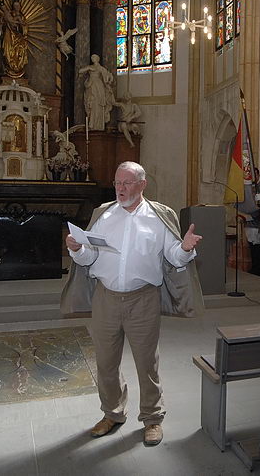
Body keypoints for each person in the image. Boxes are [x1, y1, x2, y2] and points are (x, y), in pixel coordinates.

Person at [61, 161, 203, 447]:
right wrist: (77, 249)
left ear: (142, 185)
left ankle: (152, 418)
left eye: (127, 183)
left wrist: (185, 248)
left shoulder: (160, 216)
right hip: (106, 298)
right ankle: (112, 413)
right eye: (117, 182)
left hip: (143, 299)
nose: (120, 188)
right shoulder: (103, 214)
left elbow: (173, 257)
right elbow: (90, 257)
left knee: (147, 363)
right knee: (106, 362)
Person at [239, 167, 260, 276]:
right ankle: (254, 267)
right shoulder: (248, 188)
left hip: (257, 224)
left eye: (254, 175)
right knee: (252, 248)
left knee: (258, 248)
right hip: (249, 224)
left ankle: (258, 269)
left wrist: (250, 216)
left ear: (258, 176)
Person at [79, 54, 115, 130]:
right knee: (91, 104)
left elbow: (107, 78)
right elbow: (80, 71)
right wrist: (88, 68)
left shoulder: (101, 68)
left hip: (98, 86)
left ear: (97, 59)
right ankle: (91, 123)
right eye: (92, 57)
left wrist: (109, 80)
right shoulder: (90, 67)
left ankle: (97, 125)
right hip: (90, 85)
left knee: (98, 104)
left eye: (94, 57)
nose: (92, 58)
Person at [0, 0, 28, 78]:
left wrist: (20, 26)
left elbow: (24, 28)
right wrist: (5, 24)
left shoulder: (21, 16)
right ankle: (9, 67)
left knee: (19, 53)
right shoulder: (9, 14)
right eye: (15, 6)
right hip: (9, 36)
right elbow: (3, 23)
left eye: (18, 6)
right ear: (13, 6)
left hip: (19, 39)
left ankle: (18, 68)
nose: (17, 7)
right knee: (8, 52)